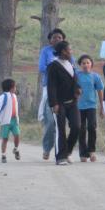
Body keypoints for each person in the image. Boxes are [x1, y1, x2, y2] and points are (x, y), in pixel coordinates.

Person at [47, 40, 80, 166]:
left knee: (76, 127)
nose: (71, 52)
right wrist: (54, 103)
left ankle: (67, 151)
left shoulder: (70, 64)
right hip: (59, 103)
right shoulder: (53, 66)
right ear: (63, 51)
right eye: (69, 50)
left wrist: (78, 88)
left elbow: (73, 80)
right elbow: (52, 86)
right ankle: (61, 157)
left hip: (72, 102)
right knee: (60, 130)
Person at [38, 28, 65, 160]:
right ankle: (47, 148)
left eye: (59, 37)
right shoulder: (46, 51)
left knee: (63, 122)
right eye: (54, 37)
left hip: (65, 90)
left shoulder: (67, 52)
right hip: (50, 89)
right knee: (50, 122)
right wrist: (57, 68)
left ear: (63, 39)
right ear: (50, 40)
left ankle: (64, 151)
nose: (57, 39)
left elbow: (73, 68)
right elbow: (42, 67)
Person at [76, 54, 104, 162]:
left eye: (88, 62)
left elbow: (100, 91)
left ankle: (91, 151)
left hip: (92, 106)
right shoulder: (77, 76)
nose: (86, 65)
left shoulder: (95, 76)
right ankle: (83, 153)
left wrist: (102, 106)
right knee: (81, 129)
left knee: (92, 127)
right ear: (80, 65)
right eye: (83, 63)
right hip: (79, 107)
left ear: (91, 64)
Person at [0, 78, 21, 163]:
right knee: (5, 138)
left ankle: (16, 149)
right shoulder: (3, 97)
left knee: (17, 135)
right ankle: (3, 155)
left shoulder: (14, 96)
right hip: (5, 121)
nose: (15, 89)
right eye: (15, 87)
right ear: (11, 88)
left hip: (14, 120)